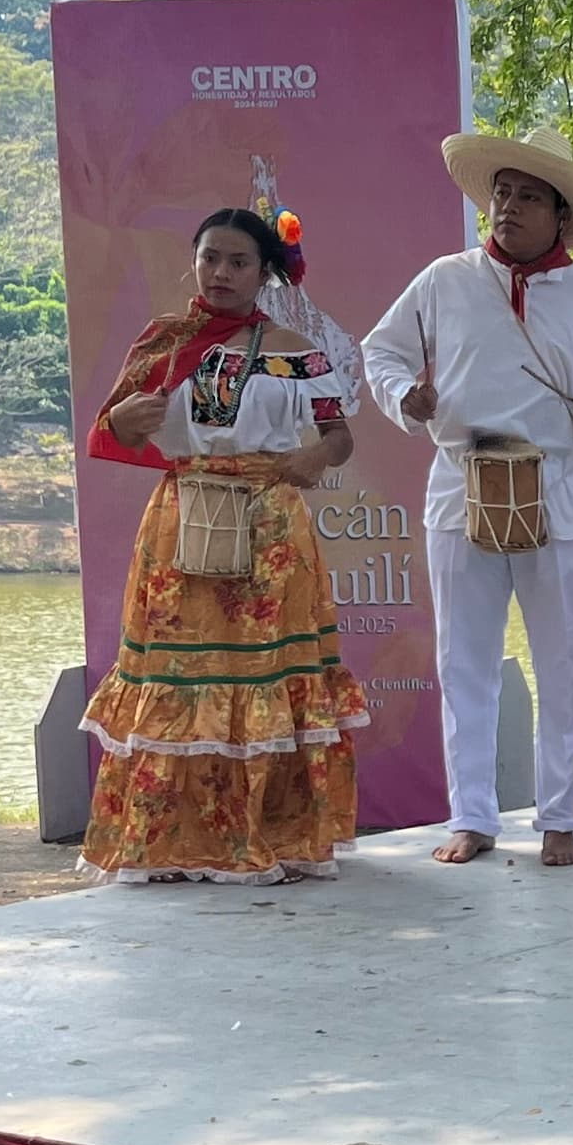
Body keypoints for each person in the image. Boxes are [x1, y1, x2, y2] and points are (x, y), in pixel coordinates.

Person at [363, 132, 573, 868]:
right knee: (463, 660)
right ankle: (471, 817)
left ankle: (559, 819)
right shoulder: (444, 279)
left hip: (558, 493)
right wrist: (409, 396)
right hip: (461, 489)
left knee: (561, 661)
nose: (508, 207)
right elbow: (381, 351)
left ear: (560, 214)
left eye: (528, 195)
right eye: (501, 192)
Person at [76, 207, 371, 881]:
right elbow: (112, 431)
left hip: (270, 523)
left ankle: (267, 835)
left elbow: (339, 434)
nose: (221, 273)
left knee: (260, 676)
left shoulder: (294, 350)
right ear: (194, 261)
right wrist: (122, 418)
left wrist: (313, 459)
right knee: (181, 674)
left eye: (238, 262)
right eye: (211, 257)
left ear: (264, 273)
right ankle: (169, 841)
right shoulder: (163, 343)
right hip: (183, 519)